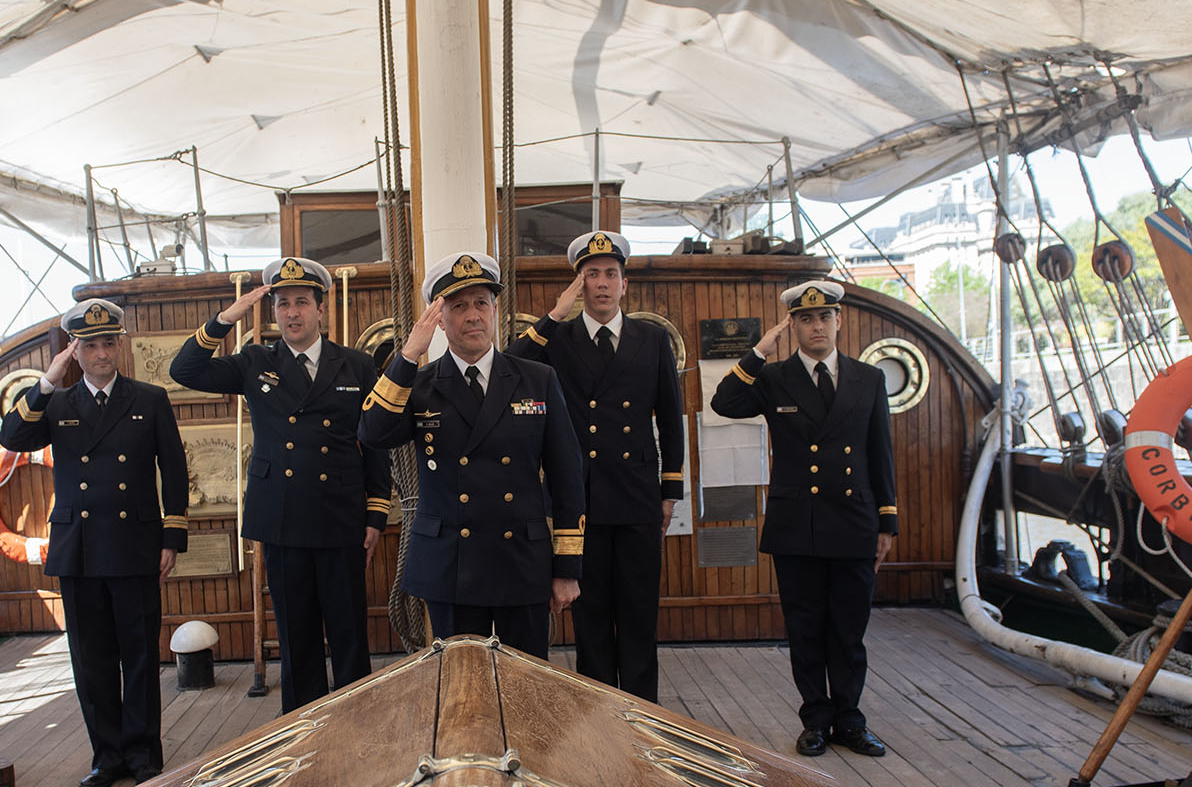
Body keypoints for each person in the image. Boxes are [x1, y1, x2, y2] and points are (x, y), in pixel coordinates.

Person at [170, 257, 389, 712]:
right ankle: (301, 732)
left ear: (320, 310)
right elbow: (185, 371)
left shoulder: (356, 365)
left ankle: (359, 727)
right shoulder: (255, 361)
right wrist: (224, 319)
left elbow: (376, 443)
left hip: (341, 517)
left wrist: (375, 513)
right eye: (282, 303)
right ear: (273, 312)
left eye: (302, 302)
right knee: (297, 638)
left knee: (349, 635)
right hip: (284, 521)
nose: (292, 312)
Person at [0, 297, 189, 787]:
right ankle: (107, 756)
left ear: (119, 346)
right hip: (80, 547)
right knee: (91, 659)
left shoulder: (148, 399)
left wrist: (172, 536)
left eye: (109, 343)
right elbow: (13, 436)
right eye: (90, 346)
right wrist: (45, 380)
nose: (102, 354)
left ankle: (144, 752)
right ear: (74, 352)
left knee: (141, 655)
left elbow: (173, 471)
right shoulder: (56, 402)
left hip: (135, 543)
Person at [358, 251, 585, 659]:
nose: (473, 316)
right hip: (451, 564)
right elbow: (372, 433)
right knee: (463, 693)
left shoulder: (537, 380)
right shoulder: (419, 384)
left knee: (527, 687)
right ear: (440, 320)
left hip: (521, 560)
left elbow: (567, 475)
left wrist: (567, 567)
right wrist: (407, 357)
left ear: (495, 311)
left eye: (481, 303)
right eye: (458, 306)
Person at [710, 279, 896, 758]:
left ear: (839, 321)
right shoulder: (774, 378)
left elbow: (881, 454)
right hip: (799, 525)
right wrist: (760, 350)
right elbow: (724, 402)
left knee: (849, 631)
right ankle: (815, 719)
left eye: (825, 317)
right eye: (806, 319)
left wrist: (887, 522)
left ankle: (850, 719)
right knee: (806, 627)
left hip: (854, 521)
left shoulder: (867, 379)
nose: (817, 326)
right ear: (792, 326)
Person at [507, 231, 683, 701]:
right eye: (590, 275)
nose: (601, 284)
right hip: (581, 499)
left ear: (624, 284)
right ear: (578, 285)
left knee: (640, 615)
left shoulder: (652, 338)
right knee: (592, 619)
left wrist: (671, 491)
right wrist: (552, 316)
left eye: (610, 274)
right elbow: (508, 366)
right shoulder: (558, 338)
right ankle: (599, 716)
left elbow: (670, 417)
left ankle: (645, 718)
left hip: (638, 496)